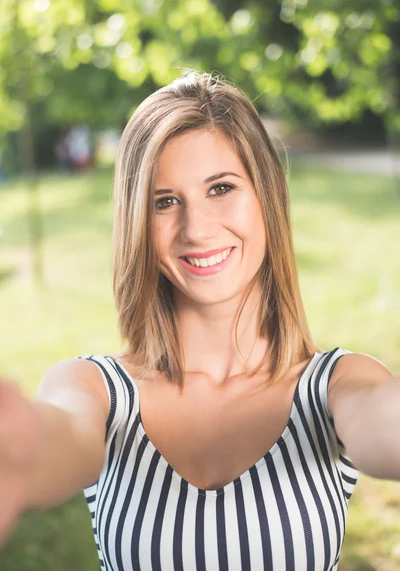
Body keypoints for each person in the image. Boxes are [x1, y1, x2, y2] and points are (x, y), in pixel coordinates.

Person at [0, 71, 397, 570]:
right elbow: (49, 443)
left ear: (266, 199)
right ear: (138, 224)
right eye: (165, 202)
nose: (196, 228)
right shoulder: (96, 390)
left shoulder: (336, 386)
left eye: (221, 188)